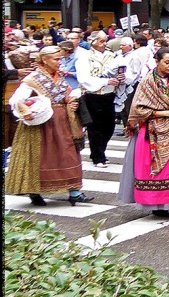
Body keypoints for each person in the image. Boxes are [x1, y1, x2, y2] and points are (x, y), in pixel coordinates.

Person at [7, 46, 89, 206]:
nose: (60, 62)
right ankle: (34, 191)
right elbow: (16, 100)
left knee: (69, 153)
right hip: (40, 123)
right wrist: (26, 111)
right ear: (44, 60)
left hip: (63, 122)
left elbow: (66, 96)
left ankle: (75, 191)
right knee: (41, 157)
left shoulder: (59, 77)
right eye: (56, 59)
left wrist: (71, 102)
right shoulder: (33, 79)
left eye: (60, 59)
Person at [121, 47, 169, 217]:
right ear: (157, 61)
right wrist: (166, 113)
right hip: (154, 131)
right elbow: (139, 108)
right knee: (158, 170)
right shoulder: (147, 81)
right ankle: (157, 205)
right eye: (167, 62)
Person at [76, 31, 122, 169]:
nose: (104, 43)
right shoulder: (85, 57)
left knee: (109, 126)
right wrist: (105, 81)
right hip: (93, 94)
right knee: (95, 127)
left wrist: (121, 77)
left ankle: (99, 150)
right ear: (93, 41)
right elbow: (84, 78)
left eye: (105, 40)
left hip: (109, 95)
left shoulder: (112, 55)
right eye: (101, 41)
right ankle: (98, 156)